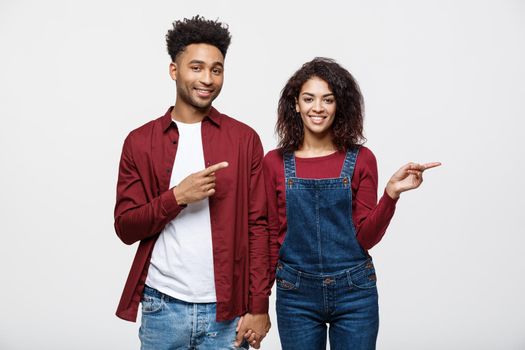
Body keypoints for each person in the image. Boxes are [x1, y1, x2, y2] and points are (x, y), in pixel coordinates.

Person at [113, 16, 271, 349]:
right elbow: (126, 228)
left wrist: (259, 306)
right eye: (196, 67)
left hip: (227, 312)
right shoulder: (140, 142)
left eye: (217, 69)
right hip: (162, 306)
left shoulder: (244, 140)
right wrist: (177, 197)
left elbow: (260, 227)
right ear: (174, 70)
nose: (207, 79)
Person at [261, 57, 440, 350]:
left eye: (327, 100)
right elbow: (268, 236)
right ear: (295, 104)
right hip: (295, 293)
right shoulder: (275, 163)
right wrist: (257, 302)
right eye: (309, 98)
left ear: (339, 105)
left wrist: (391, 194)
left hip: (354, 290)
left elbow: (366, 237)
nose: (317, 108)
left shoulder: (361, 159)